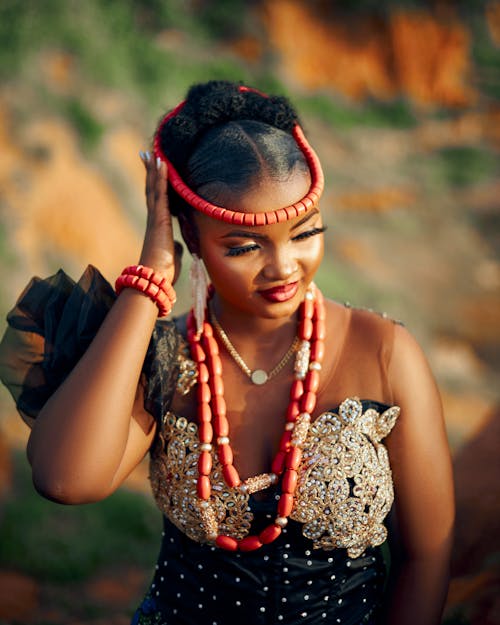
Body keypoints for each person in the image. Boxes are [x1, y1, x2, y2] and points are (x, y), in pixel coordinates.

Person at [0, 81, 454, 625]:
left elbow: (426, 557)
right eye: (244, 247)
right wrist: (151, 276)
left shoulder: (384, 354)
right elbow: (64, 479)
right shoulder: (164, 357)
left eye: (305, 233)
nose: (284, 267)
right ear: (190, 235)